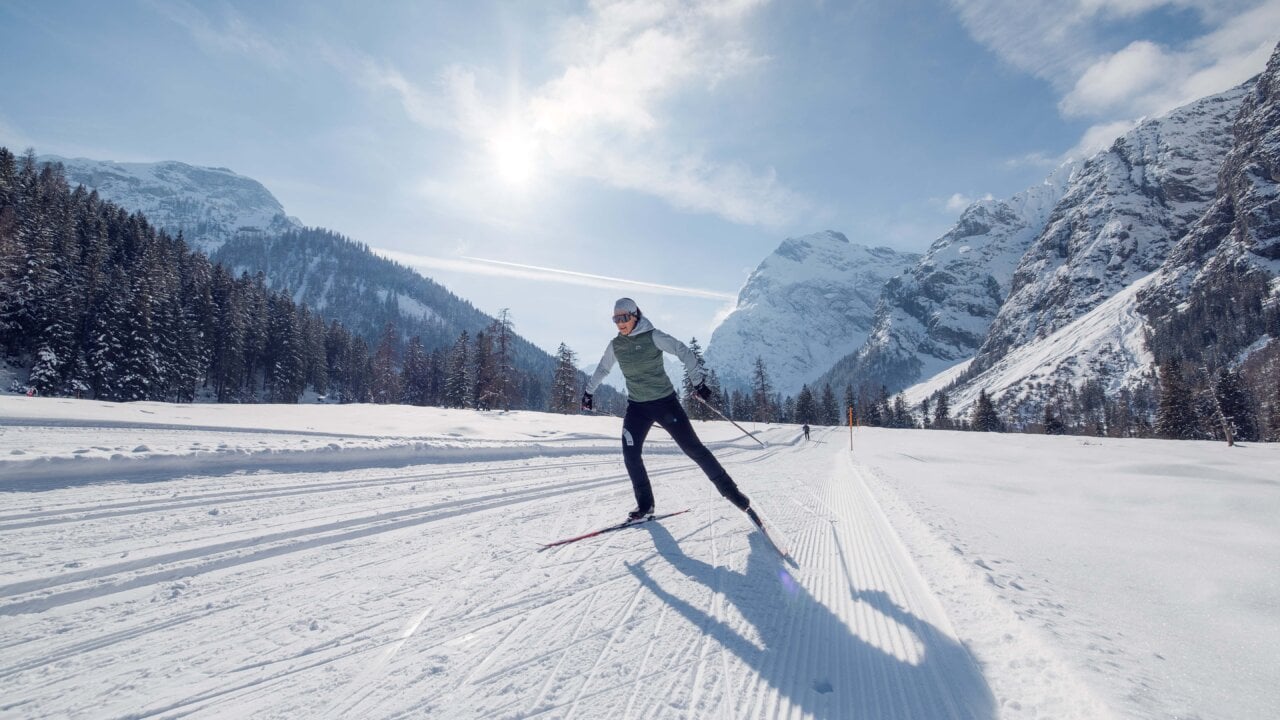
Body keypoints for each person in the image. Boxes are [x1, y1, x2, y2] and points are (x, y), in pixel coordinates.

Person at [582, 298, 759, 525]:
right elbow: (603, 368)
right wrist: (588, 392)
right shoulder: (616, 345)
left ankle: (734, 494)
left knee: (694, 449)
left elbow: (684, 351)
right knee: (630, 455)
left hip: (665, 404)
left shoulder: (653, 336)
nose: (620, 323)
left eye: (624, 318)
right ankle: (645, 505)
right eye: (615, 319)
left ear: (635, 316)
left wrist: (698, 382)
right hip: (637, 407)